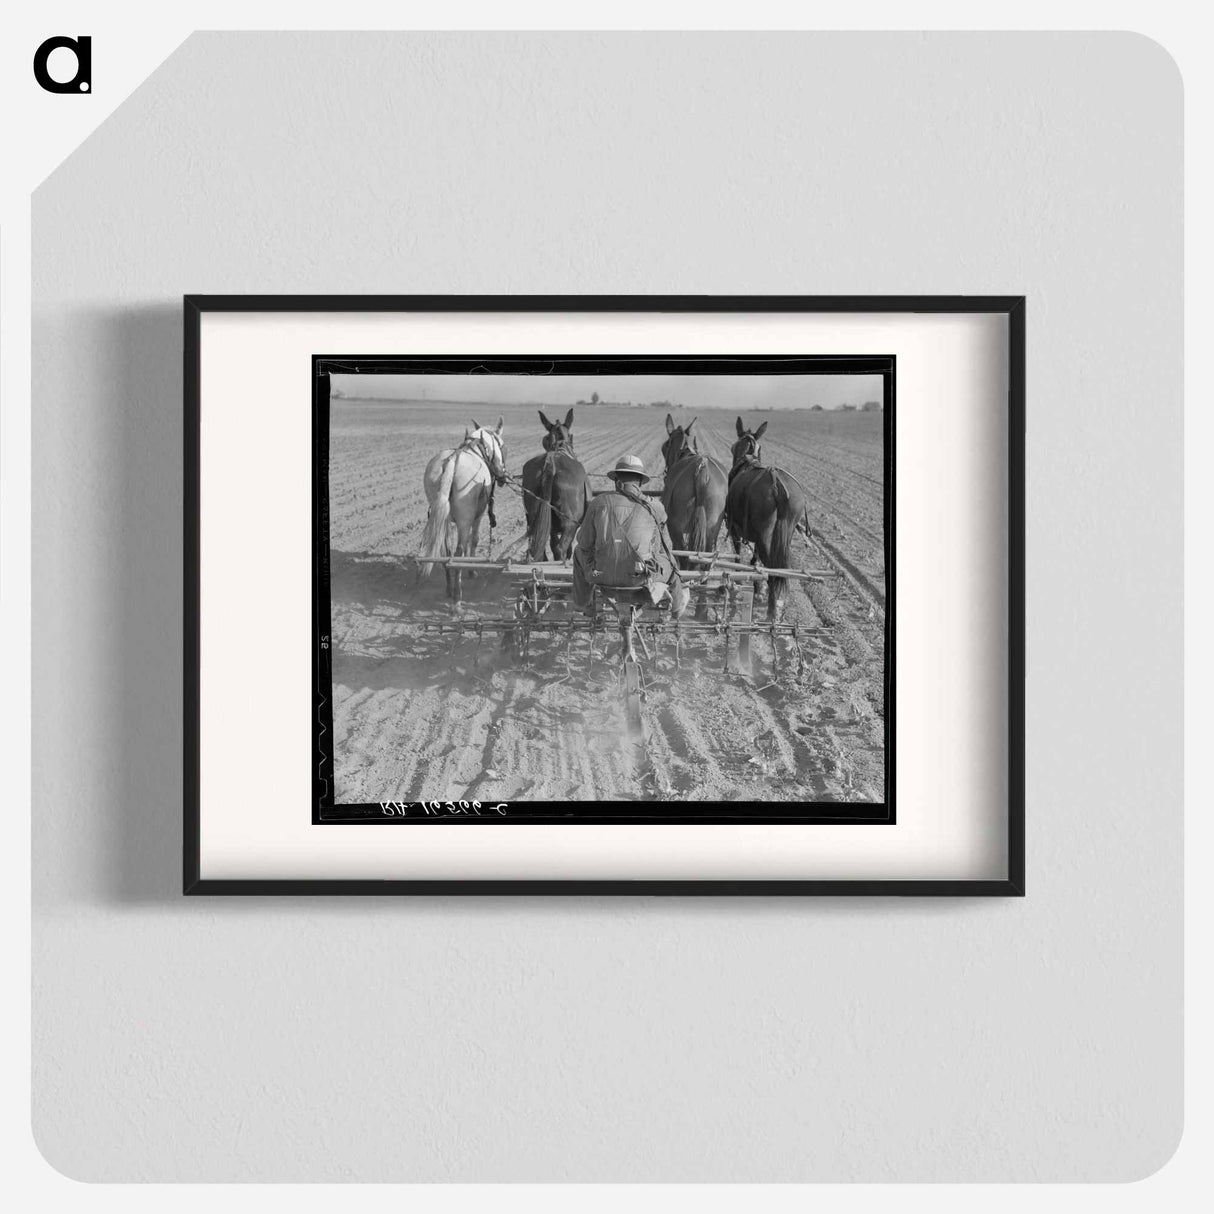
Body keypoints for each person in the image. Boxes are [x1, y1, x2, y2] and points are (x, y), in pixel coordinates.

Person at [572, 455, 689, 618]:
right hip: (639, 578)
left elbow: (584, 543)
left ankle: (583, 603)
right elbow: (658, 543)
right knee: (668, 562)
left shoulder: (598, 503)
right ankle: (676, 608)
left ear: (616, 480)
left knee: (578, 551)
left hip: (600, 576)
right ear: (640, 482)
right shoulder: (655, 506)